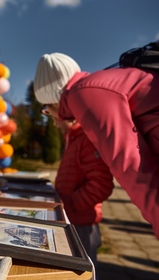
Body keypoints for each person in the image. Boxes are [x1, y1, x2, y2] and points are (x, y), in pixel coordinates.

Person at [33, 52, 159, 239]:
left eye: (46, 109)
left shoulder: (83, 93)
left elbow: (131, 165)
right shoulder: (93, 87)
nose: (50, 117)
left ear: (54, 100)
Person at [41, 106, 114, 266]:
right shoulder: (73, 138)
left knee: (82, 270)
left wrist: (70, 204)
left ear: (66, 113)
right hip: (73, 220)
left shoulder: (87, 138)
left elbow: (101, 184)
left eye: (54, 118)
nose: (54, 124)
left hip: (83, 224)